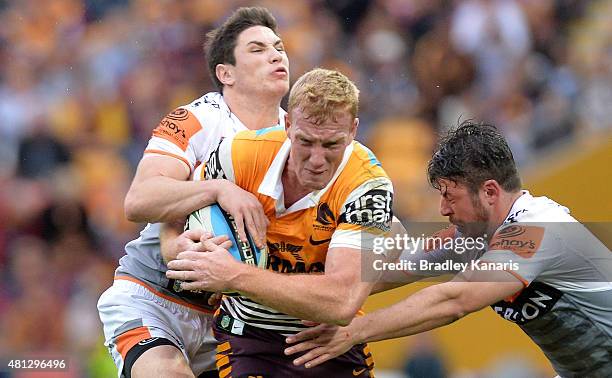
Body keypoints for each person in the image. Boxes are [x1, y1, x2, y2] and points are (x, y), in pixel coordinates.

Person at [283, 121, 612, 378]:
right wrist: (285, 287)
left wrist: (352, 332)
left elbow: (454, 300)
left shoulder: (538, 229)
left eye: (449, 196)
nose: (442, 209)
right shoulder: (473, 234)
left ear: (490, 192)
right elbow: (384, 272)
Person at [97, 7, 290, 378]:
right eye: (257, 48)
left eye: (278, 47)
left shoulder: (298, 138)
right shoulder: (198, 118)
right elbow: (139, 200)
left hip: (237, 316)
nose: (275, 54)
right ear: (226, 73)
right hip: (154, 295)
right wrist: (219, 188)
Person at [166, 68, 396, 377]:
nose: (316, 160)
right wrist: (180, 245)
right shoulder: (237, 155)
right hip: (248, 335)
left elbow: (341, 302)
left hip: (325, 342)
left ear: (353, 131)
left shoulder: (368, 187)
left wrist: (233, 275)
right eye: (305, 141)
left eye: (331, 145)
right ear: (287, 124)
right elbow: (171, 216)